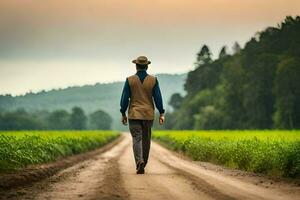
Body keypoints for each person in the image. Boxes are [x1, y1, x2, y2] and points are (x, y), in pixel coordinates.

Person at [120, 56, 165, 174]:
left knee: (137, 138)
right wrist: (161, 112)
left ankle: (139, 161)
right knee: (146, 140)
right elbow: (158, 98)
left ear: (136, 66)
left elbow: (125, 98)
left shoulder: (129, 80)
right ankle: (143, 162)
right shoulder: (153, 80)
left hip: (134, 114)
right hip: (148, 114)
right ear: (147, 66)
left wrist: (123, 112)